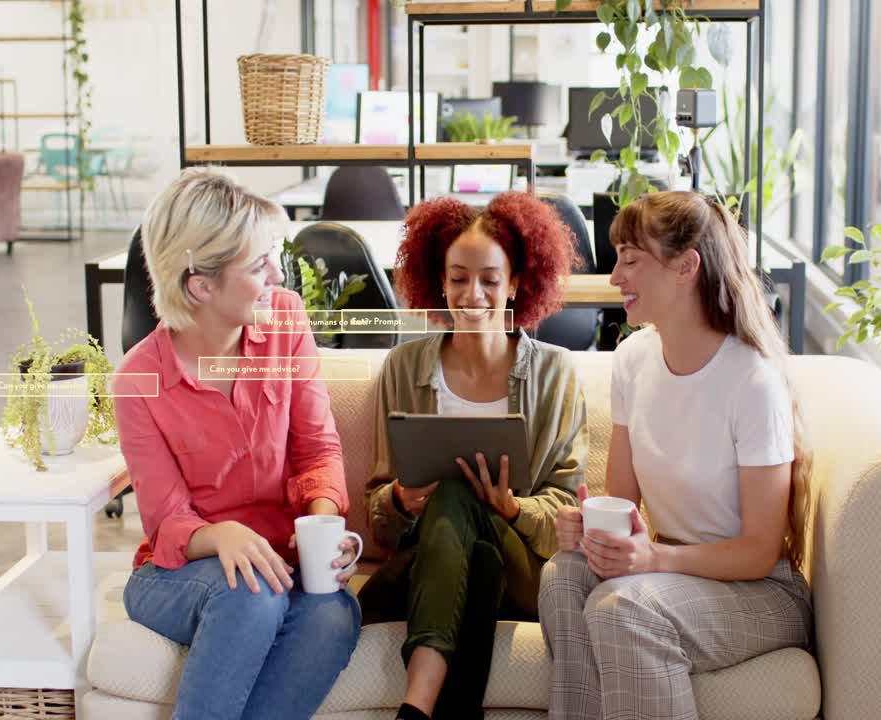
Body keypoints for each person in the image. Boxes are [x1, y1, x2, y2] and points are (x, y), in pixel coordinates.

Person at [538, 191, 814, 720]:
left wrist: (655, 559)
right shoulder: (633, 360)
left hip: (760, 589)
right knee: (563, 575)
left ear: (687, 267)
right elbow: (623, 503)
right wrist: (591, 533)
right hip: (674, 571)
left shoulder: (752, 382)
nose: (615, 276)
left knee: (623, 610)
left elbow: (759, 550)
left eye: (631, 259)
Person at [112, 167, 360, 720]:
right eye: (258, 264)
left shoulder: (286, 320)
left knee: (334, 613)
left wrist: (325, 528)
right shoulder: (138, 380)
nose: (277, 273)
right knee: (251, 592)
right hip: (177, 576)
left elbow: (317, 449)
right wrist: (222, 535)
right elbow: (167, 521)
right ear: (201, 284)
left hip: (280, 565)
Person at [359, 193, 588, 720]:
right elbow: (380, 510)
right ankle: (425, 709)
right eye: (458, 277)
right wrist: (400, 500)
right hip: (448, 564)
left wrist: (511, 508)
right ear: (439, 280)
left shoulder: (555, 373)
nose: (473, 294)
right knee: (473, 557)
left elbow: (565, 516)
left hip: (524, 568)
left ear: (515, 283)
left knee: (462, 493)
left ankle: (414, 703)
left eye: (490, 278)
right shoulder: (403, 366)